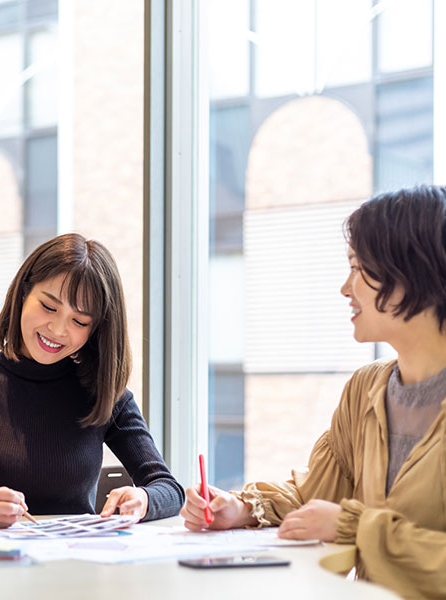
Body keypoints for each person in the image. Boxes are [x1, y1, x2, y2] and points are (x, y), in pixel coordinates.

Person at [180, 185, 446, 597]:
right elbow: (315, 494)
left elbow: (341, 518)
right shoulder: (365, 389)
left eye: (360, 268)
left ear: (413, 272)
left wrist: (355, 527)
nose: (346, 287)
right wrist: (241, 509)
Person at [0, 233, 183, 528]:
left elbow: (168, 489)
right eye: (49, 307)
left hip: (76, 567)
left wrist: (143, 498)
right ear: (23, 294)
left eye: (79, 321)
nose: (58, 328)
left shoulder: (107, 396)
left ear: (96, 331)